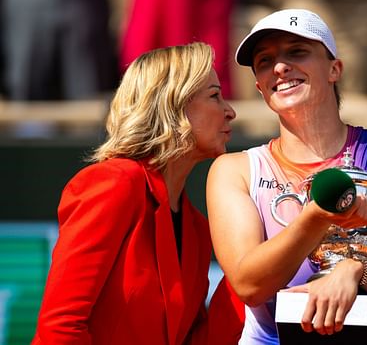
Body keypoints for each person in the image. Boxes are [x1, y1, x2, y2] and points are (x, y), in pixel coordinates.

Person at [206, 8, 367, 345]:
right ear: (260, 88)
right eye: (264, 61)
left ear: (335, 69)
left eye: (297, 51)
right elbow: (249, 284)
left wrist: (355, 271)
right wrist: (318, 217)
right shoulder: (236, 169)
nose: (279, 66)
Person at [31, 42, 237, 344]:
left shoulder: (197, 227)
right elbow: (60, 327)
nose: (230, 111)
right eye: (214, 96)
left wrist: (258, 271)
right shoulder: (114, 183)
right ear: (172, 104)